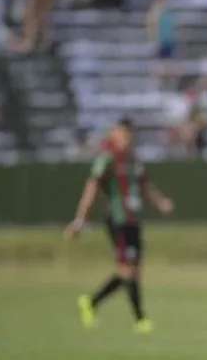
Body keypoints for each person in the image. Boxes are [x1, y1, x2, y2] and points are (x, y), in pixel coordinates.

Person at [65, 118, 175, 333]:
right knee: (129, 270)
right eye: (122, 135)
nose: (126, 140)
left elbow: (146, 185)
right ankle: (140, 319)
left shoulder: (134, 161)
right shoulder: (107, 160)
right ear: (114, 135)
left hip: (133, 220)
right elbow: (91, 189)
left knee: (131, 271)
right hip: (117, 220)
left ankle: (91, 302)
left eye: (129, 135)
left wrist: (161, 202)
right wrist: (80, 220)